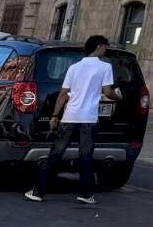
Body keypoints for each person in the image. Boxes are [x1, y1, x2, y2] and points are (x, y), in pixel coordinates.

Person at [26, 34, 120, 205]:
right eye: (104, 46)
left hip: (69, 116)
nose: (105, 50)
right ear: (98, 47)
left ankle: (38, 191)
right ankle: (85, 193)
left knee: (55, 153)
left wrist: (55, 116)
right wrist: (117, 97)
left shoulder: (74, 67)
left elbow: (63, 95)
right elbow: (107, 91)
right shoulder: (105, 67)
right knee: (85, 155)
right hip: (89, 118)